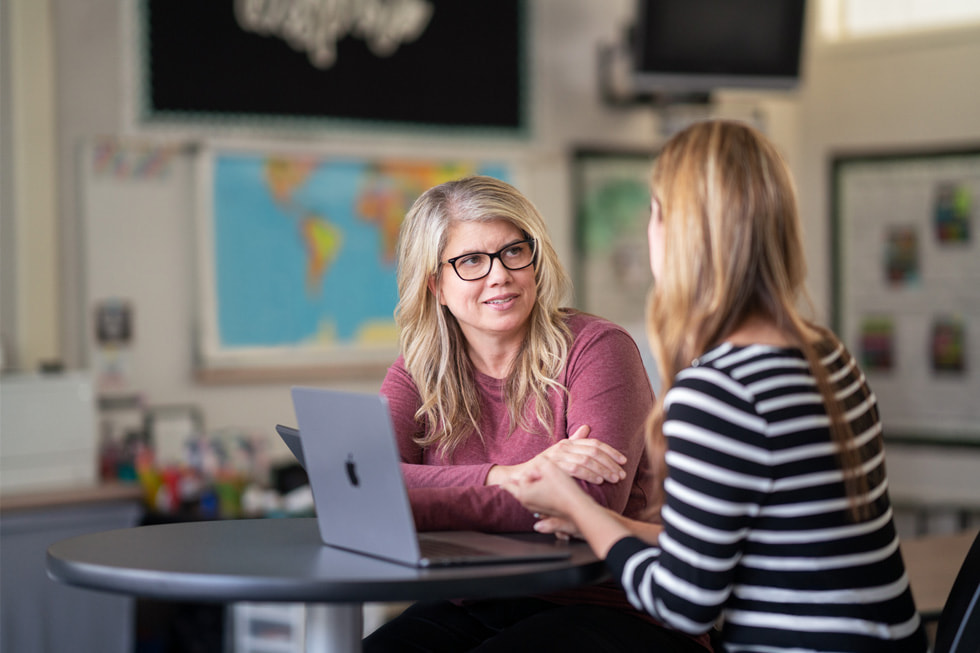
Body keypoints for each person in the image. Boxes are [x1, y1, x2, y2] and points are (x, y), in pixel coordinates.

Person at [506, 121, 929, 652]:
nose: (649, 229)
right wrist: (603, 521)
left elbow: (682, 602)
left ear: (681, 234)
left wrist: (579, 505)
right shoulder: (827, 355)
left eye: (656, 211)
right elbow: (721, 546)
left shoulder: (718, 391)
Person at [364, 175, 710, 652]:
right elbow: (369, 488)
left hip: (616, 607)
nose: (500, 275)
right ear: (436, 286)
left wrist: (423, 492)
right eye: (470, 261)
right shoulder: (418, 371)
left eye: (513, 251)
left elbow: (588, 502)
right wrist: (512, 476)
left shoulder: (597, 349)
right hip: (477, 602)